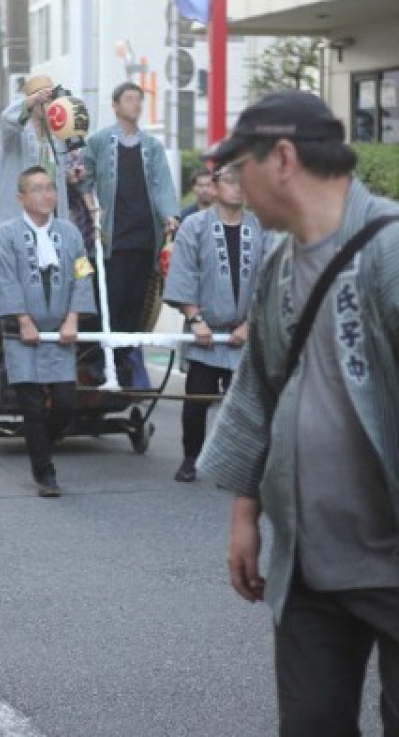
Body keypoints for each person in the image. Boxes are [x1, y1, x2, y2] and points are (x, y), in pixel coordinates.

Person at [196, 91, 399, 737]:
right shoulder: (280, 264)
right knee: (310, 725)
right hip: (310, 563)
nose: (231, 185)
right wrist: (244, 513)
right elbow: (258, 390)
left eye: (237, 169)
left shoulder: (391, 252)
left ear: (282, 158)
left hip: (392, 559)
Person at [0, 166, 96, 497]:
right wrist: (23, 320)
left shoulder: (71, 233)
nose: (45, 194)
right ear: (21, 197)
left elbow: (83, 274)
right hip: (22, 334)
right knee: (32, 406)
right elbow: (4, 280)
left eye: (49, 188)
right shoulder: (6, 235)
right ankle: (44, 470)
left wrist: (74, 318)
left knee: (64, 402)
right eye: (36, 189)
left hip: (59, 332)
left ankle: (41, 442)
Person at [164, 164, 269, 482]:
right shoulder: (194, 226)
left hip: (244, 332)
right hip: (205, 333)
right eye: (231, 181)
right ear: (215, 185)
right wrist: (195, 319)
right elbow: (184, 273)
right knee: (197, 399)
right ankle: (190, 457)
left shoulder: (261, 228)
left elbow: (270, 280)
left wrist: (250, 324)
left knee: (244, 406)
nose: (238, 188)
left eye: (244, 182)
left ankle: (239, 463)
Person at [81, 81, 179, 347]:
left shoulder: (152, 146)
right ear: (115, 106)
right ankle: (104, 360)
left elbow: (163, 184)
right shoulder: (99, 142)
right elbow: (83, 178)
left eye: (138, 99)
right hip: (114, 235)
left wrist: (170, 214)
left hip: (145, 235)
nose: (135, 104)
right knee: (110, 298)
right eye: (129, 99)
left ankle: (125, 360)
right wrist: (93, 210)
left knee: (137, 301)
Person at [0, 74, 69, 263]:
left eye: (51, 98)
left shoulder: (57, 136)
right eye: (42, 98)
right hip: (17, 217)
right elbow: (7, 118)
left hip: (49, 218)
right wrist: (33, 100)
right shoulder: (16, 132)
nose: (47, 103)